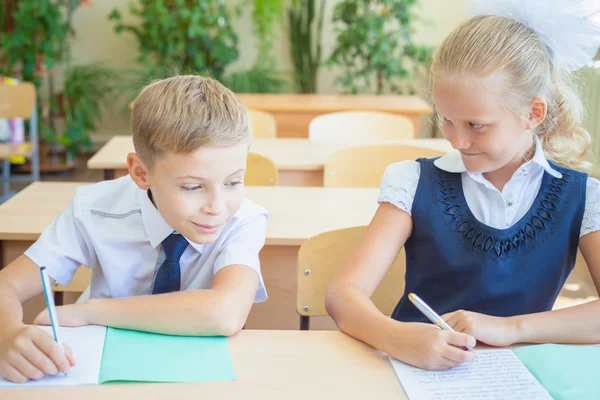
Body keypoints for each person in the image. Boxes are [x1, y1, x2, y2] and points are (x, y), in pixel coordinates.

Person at [326, 0, 600, 371]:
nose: (456, 141)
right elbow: (343, 295)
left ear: (533, 114)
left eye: (476, 125)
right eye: (447, 120)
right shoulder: (414, 181)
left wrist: (511, 328)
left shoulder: (582, 196)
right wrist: (394, 336)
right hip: (415, 372)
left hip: (517, 378)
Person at [0, 75, 268, 382]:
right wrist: (6, 334)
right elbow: (7, 285)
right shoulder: (94, 209)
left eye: (233, 182)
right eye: (193, 187)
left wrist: (90, 311)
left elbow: (225, 312)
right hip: (96, 371)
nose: (217, 206)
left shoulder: (244, 219)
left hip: (201, 378)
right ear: (141, 173)